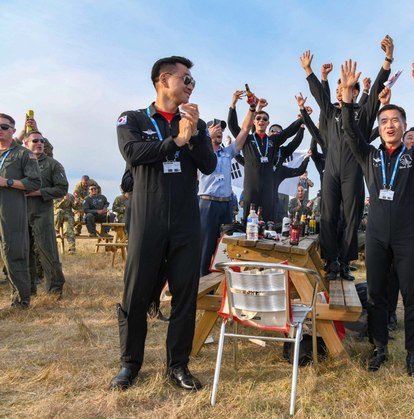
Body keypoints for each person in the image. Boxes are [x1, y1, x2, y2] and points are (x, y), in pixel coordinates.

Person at [110, 56, 216, 391]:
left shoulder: (193, 123)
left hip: (186, 220)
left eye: (193, 82)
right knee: (136, 295)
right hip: (148, 218)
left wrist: (196, 134)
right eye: (187, 80)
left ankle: (179, 365)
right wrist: (177, 141)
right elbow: (135, 153)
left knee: (185, 295)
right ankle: (130, 365)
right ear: (164, 79)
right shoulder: (134, 119)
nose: (190, 86)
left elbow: (209, 165)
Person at [340, 58, 414, 376]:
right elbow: (350, 132)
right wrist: (346, 100)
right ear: (380, 128)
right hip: (377, 234)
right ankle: (379, 347)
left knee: (412, 293)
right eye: (385, 121)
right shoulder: (370, 155)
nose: (391, 125)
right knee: (378, 294)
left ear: (404, 124)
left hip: (408, 234)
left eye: (396, 120)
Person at [300, 36, 392, 281]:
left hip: (353, 169)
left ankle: (344, 262)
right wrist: (309, 70)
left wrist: (387, 60)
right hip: (330, 169)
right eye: (340, 88)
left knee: (352, 216)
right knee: (328, 216)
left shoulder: (363, 113)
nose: (342, 92)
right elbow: (319, 94)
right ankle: (331, 261)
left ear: (355, 92)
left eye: (349, 89)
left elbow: (375, 93)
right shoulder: (330, 112)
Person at [228, 89, 302, 222]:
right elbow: (232, 125)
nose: (261, 120)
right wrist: (233, 105)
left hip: (268, 187)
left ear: (268, 123)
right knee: (248, 222)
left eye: (265, 119)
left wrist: (302, 116)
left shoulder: (273, 141)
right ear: (254, 122)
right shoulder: (247, 139)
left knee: (268, 222)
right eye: (258, 118)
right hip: (251, 187)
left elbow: (289, 132)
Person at [198, 109, 254, 277]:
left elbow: (244, 130)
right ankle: (201, 283)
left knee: (225, 248)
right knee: (205, 247)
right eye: (214, 127)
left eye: (221, 128)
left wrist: (252, 109)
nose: (219, 130)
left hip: (226, 204)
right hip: (207, 204)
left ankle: (222, 283)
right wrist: (206, 137)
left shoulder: (227, 153)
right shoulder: (201, 152)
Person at [0, 113, 41, 309]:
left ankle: (21, 300)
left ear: (13, 131)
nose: (0, 129)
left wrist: (7, 182)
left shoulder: (23, 154)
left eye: (4, 127)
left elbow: (34, 182)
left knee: (14, 253)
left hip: (11, 211)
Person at [23, 131, 68, 295]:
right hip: (20, 214)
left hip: (42, 213)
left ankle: (55, 289)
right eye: (35, 140)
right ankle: (28, 288)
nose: (39, 143)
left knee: (48, 252)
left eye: (42, 141)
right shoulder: (19, 163)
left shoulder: (52, 164)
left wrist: (38, 192)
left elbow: (62, 188)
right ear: (26, 144)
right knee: (24, 252)